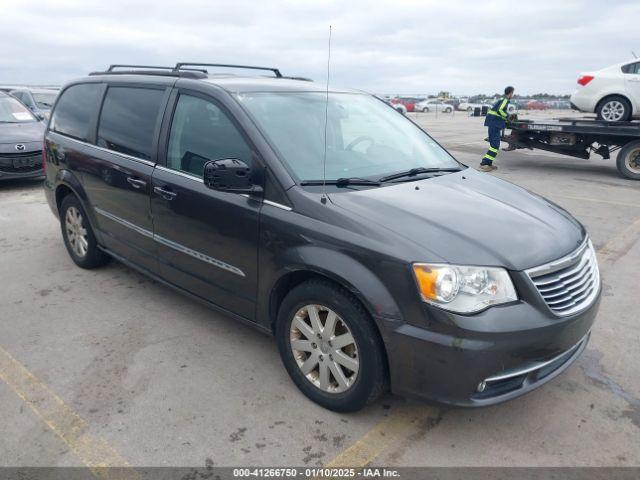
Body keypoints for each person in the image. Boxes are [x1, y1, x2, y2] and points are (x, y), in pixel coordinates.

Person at [480, 86, 514, 172]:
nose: (512, 95)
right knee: (495, 145)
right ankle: (484, 163)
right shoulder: (505, 100)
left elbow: (498, 111)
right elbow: (500, 110)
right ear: (510, 93)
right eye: (512, 93)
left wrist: (505, 118)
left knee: (494, 145)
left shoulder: (502, 99)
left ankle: (489, 163)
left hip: (494, 123)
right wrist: (508, 116)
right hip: (494, 123)